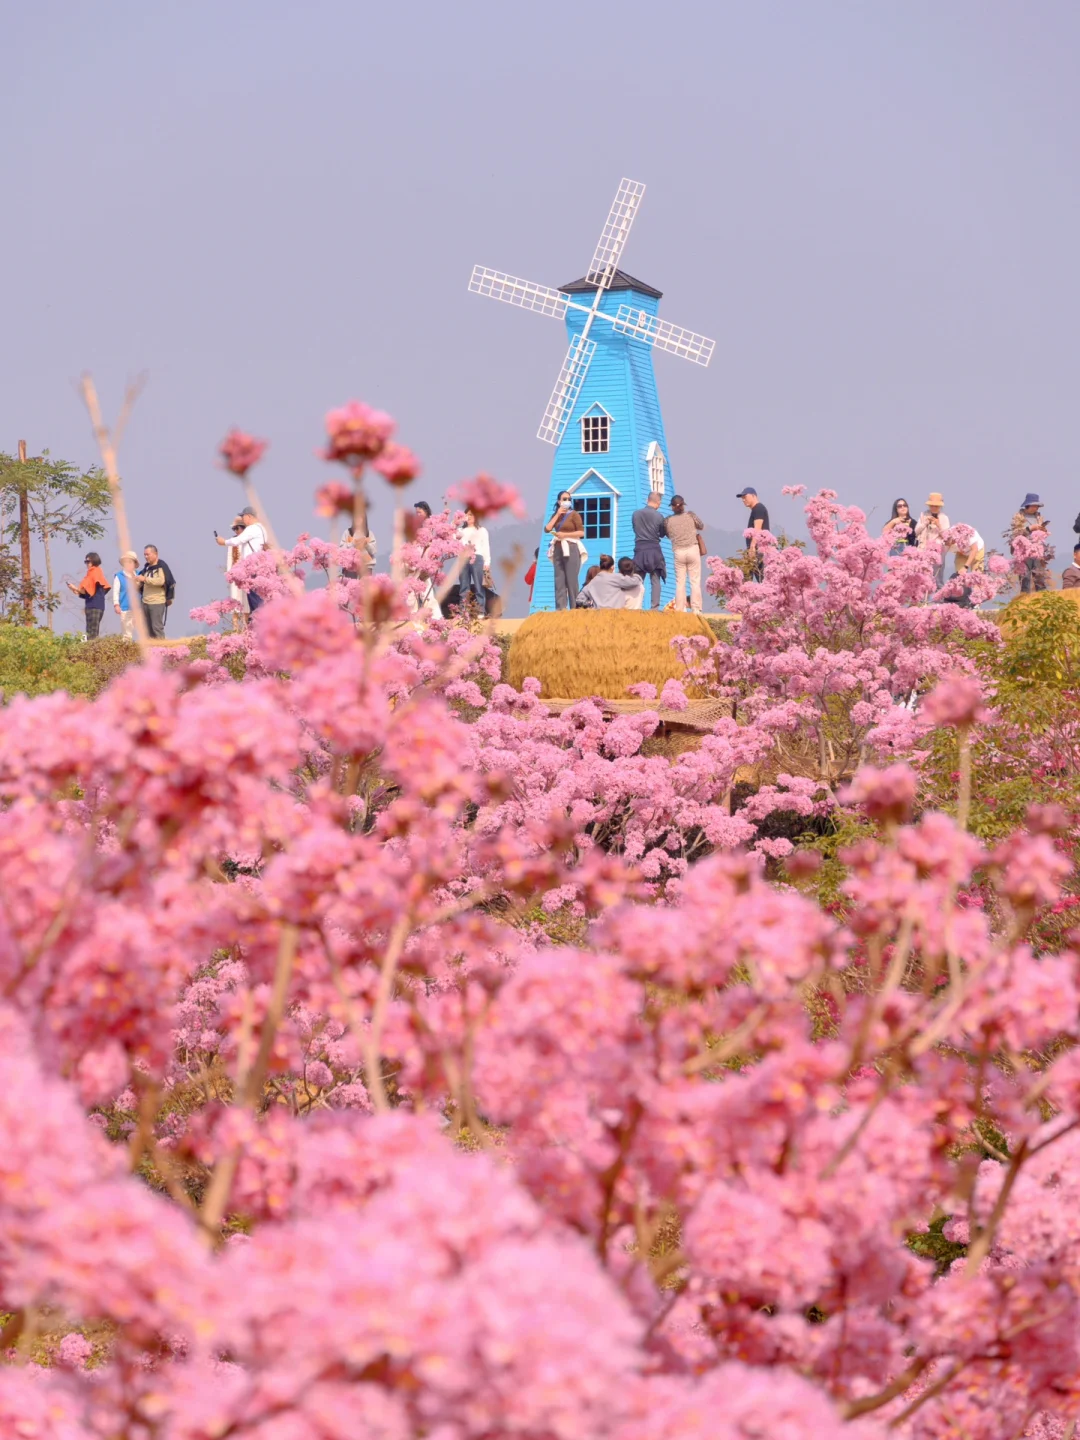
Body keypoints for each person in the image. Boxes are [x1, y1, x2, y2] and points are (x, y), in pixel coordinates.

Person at [216, 505, 268, 612]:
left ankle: (258, 620)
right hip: (260, 566)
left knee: (254, 598)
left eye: (243, 516)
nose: (242, 519)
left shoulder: (252, 529)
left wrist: (223, 542)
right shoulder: (262, 529)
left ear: (249, 516)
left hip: (252, 568)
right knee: (258, 596)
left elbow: (237, 540)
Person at [544, 490, 586, 610]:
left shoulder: (574, 514)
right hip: (558, 547)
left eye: (569, 499)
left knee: (572, 579)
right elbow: (547, 529)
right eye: (564, 499)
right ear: (559, 501)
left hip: (571, 546)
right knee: (559, 579)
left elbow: (581, 532)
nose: (567, 501)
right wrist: (557, 514)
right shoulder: (556, 515)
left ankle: (574, 608)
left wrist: (566, 535)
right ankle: (560, 608)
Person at [665, 494, 705, 612]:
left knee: (680, 582)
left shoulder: (668, 520)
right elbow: (701, 526)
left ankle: (680, 609)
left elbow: (668, 534)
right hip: (692, 549)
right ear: (683, 505)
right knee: (694, 581)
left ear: (672, 507)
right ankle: (696, 609)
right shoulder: (690, 515)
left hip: (678, 551)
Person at [1008, 493, 1052, 593]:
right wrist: (1029, 528)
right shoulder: (1019, 517)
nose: (1036, 508)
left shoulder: (1038, 517)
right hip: (1023, 552)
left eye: (1037, 506)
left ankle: (1044, 603)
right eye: (1034, 505)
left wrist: (1042, 530)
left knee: (1040, 580)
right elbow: (1015, 534)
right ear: (1028, 505)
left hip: (1037, 552)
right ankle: (1025, 603)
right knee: (1025, 580)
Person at [631, 491, 668, 609]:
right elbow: (662, 534)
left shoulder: (636, 514)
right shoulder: (659, 516)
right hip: (654, 549)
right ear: (658, 503)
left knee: (637, 579)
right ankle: (654, 608)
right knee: (655, 580)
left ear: (647, 500)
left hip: (640, 548)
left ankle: (635, 606)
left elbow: (635, 529)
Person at [575, 554, 644, 609]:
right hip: (614, 615)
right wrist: (637, 576)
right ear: (612, 567)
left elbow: (579, 599)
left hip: (598, 616)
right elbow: (634, 582)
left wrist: (589, 605)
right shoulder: (616, 578)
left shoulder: (593, 582)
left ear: (600, 566)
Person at [67, 552, 109, 640]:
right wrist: (75, 590)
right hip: (92, 605)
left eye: (88, 561)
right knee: (90, 631)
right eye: (85, 561)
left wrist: (76, 588)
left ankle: (92, 651)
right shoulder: (92, 573)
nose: (86, 563)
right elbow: (87, 592)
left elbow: (90, 591)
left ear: (94, 560)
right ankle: (89, 650)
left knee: (92, 632)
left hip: (95, 606)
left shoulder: (95, 572)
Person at [458, 507, 491, 608]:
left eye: (471, 515)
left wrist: (487, 562)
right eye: (466, 515)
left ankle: (480, 610)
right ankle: (463, 610)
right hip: (463, 558)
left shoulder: (481, 530)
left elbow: (486, 546)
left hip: (477, 558)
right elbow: (451, 535)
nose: (468, 517)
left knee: (478, 585)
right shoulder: (460, 530)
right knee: (464, 586)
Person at [134, 545, 169, 639]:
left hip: (157, 602)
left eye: (148, 554)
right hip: (145, 602)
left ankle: (162, 651)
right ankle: (151, 651)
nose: (146, 557)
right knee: (147, 630)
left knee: (156, 628)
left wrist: (145, 579)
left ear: (155, 554)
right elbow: (142, 582)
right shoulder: (146, 568)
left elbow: (161, 581)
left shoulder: (161, 567)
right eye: (144, 555)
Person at [916, 493, 951, 585]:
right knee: (922, 575)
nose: (934, 508)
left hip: (938, 550)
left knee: (937, 575)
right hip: (924, 548)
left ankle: (937, 596)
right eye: (932, 506)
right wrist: (925, 523)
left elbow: (946, 537)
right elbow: (916, 531)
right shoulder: (923, 515)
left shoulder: (944, 518)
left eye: (936, 506)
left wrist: (938, 525)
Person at [735, 487, 769, 580]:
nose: (743, 500)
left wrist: (752, 547)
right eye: (742, 498)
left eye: (745, 497)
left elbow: (757, 530)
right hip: (756, 550)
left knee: (759, 578)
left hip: (758, 551)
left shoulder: (758, 508)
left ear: (753, 496)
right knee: (748, 577)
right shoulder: (756, 510)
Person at [111, 551, 138, 640]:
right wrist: (116, 604)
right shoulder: (119, 576)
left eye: (130, 562)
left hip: (139, 609)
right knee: (127, 633)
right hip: (126, 608)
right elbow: (115, 591)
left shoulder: (139, 575)